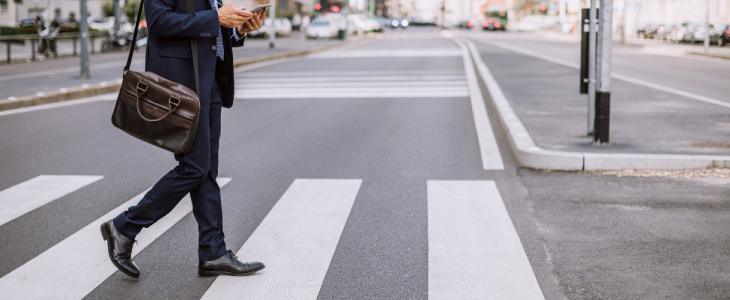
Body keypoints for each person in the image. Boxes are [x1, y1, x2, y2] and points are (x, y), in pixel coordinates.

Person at [99, 0, 267, 279]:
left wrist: (238, 29)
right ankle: (125, 226)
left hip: (209, 78)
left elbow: (211, 27)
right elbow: (160, 22)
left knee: (207, 170)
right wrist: (216, 17)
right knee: (196, 167)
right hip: (182, 83)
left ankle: (213, 252)